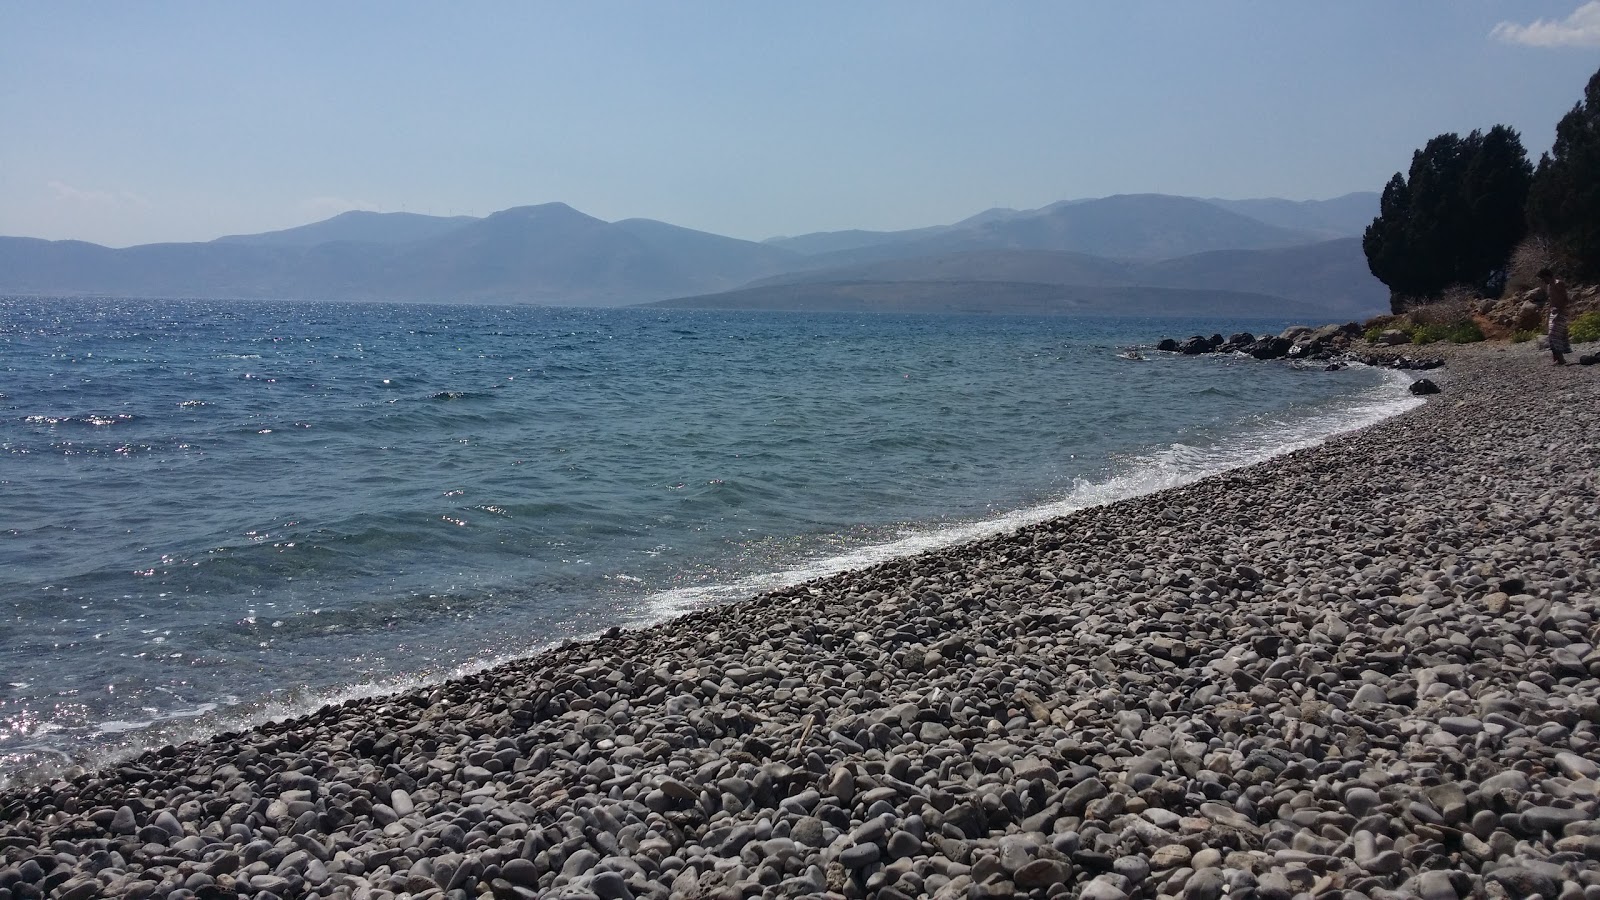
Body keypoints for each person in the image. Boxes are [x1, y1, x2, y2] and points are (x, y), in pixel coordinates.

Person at [1538, 268, 1571, 366]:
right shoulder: (1549, 286)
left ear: (1547, 276)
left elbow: (1565, 299)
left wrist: (1560, 310)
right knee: (1551, 335)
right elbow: (1551, 301)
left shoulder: (1558, 283)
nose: (1543, 281)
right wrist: (1548, 315)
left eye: (1543, 278)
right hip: (1553, 312)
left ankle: (1561, 359)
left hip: (1560, 312)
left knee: (1554, 334)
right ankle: (1556, 358)